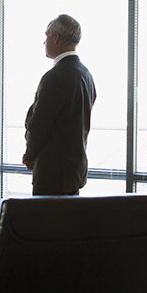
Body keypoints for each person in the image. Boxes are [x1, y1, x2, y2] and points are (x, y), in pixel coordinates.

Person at [22, 14, 96, 196]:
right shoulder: (86, 75)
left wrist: (29, 155)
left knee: (46, 224)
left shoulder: (54, 77)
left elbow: (39, 124)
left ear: (56, 38)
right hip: (74, 171)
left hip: (52, 173)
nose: (44, 42)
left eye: (46, 36)